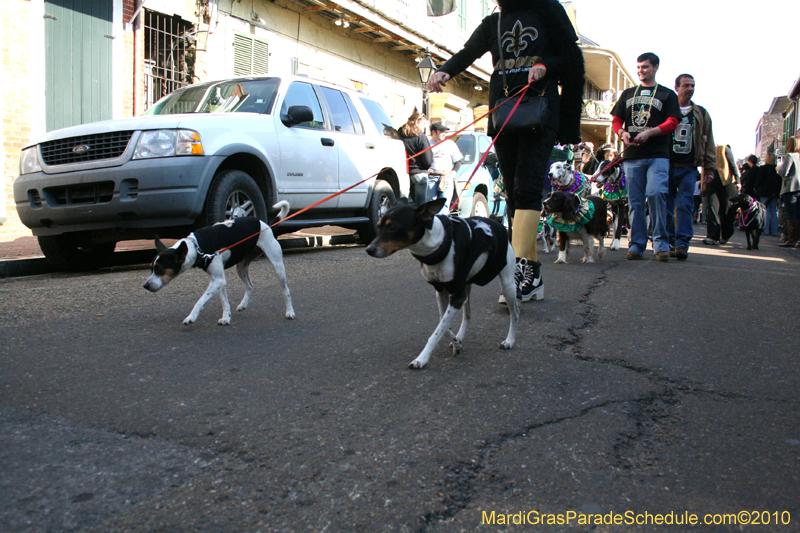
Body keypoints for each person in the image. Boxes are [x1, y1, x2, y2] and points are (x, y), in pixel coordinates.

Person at [426, 0, 585, 302]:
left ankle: (517, 269)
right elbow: (467, 53)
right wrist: (444, 72)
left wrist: (545, 65)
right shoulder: (492, 23)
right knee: (513, 192)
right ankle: (532, 274)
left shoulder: (547, 11)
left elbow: (572, 59)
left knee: (527, 189)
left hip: (541, 111)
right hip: (504, 114)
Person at [611, 52, 680, 262]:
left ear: (656, 67)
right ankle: (637, 244)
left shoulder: (667, 95)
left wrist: (650, 133)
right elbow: (616, 120)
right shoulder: (628, 93)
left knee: (657, 193)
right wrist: (622, 134)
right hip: (633, 156)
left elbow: (672, 122)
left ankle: (660, 243)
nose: (641, 71)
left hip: (657, 154)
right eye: (639, 67)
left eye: (646, 67)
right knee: (635, 201)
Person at [665, 74, 715, 261]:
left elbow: (708, 140)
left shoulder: (700, 113)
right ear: (677, 87)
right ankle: (668, 239)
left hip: (689, 167)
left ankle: (682, 244)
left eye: (692, 86)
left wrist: (709, 168)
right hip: (667, 165)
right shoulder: (667, 109)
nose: (690, 89)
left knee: (685, 205)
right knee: (666, 205)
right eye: (686, 85)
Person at [702, 144, 739, 245]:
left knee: (726, 209)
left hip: (727, 183)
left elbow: (732, 164)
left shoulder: (724, 148)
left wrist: (738, 181)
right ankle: (713, 236)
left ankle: (726, 235)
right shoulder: (704, 151)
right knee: (713, 208)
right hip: (711, 183)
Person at [397, 108, 434, 205]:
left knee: (405, 203)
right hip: (419, 173)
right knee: (420, 205)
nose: (424, 128)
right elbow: (428, 160)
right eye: (424, 125)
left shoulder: (400, 135)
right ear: (417, 123)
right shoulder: (421, 137)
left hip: (403, 173)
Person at [428, 122, 464, 215]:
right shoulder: (427, 144)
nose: (444, 133)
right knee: (431, 203)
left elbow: (458, 161)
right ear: (434, 132)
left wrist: (453, 173)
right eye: (441, 131)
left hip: (446, 177)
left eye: (445, 131)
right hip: (431, 177)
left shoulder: (450, 144)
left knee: (445, 203)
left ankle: (442, 222)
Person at [777, 136, 800, 247]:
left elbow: (784, 172)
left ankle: (791, 239)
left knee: (791, 216)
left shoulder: (790, 156)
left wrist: (778, 168)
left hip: (791, 188)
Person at [753, 153, 782, 236]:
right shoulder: (776, 170)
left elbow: (759, 180)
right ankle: (775, 231)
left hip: (764, 192)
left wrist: (755, 187)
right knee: (774, 211)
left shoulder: (763, 169)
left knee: (765, 211)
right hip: (774, 193)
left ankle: (765, 230)